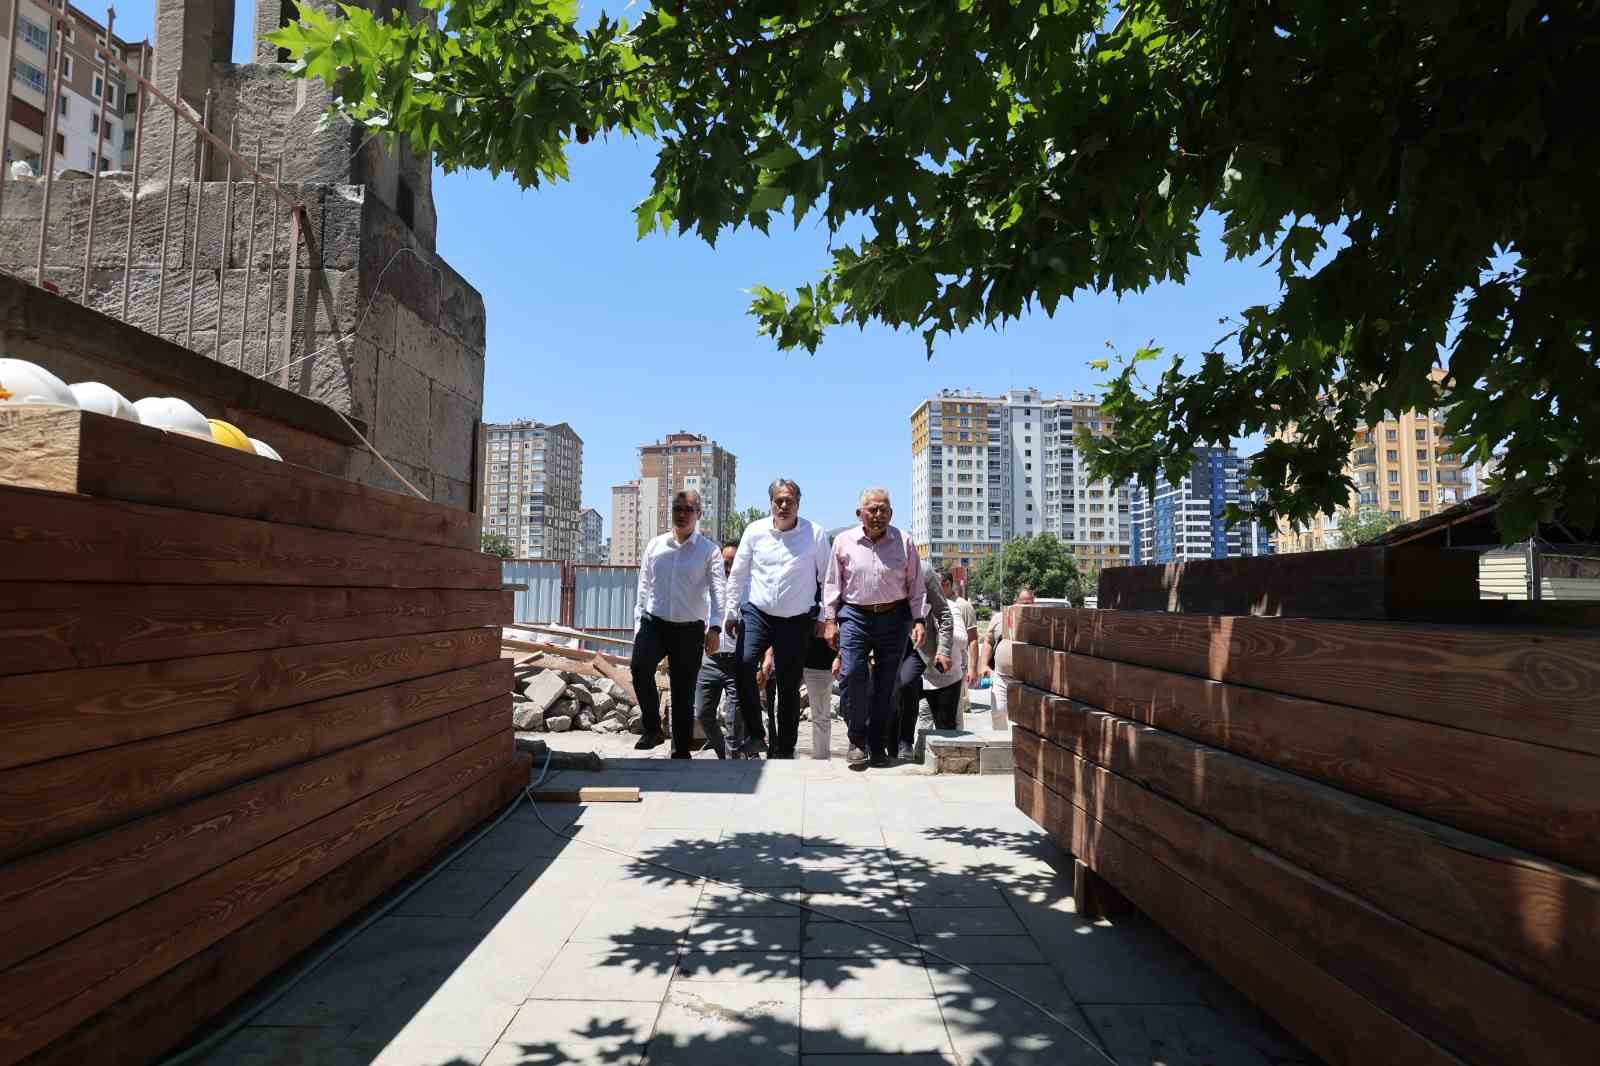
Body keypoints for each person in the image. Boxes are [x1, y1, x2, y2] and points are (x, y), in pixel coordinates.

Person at [725, 478, 831, 758]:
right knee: (744, 663)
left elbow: (828, 578)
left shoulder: (815, 534)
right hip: (758, 612)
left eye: (790, 501)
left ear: (798, 503)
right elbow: (737, 574)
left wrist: (825, 615)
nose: (784, 506)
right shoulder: (755, 531)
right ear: (770, 503)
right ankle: (756, 735)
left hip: (796, 619)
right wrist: (730, 612)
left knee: (788, 685)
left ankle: (785, 747)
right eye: (778, 500)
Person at [823, 487, 926, 768]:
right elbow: (832, 584)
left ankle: (877, 744)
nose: (878, 514)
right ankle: (857, 739)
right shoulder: (843, 541)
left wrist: (919, 620)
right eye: (872, 509)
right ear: (860, 514)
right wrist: (830, 620)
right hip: (855, 616)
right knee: (853, 674)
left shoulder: (904, 541)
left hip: (895, 617)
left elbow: (916, 586)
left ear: (891, 513)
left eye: (884, 509)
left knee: (887, 684)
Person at [632, 490, 726, 757]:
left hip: (689, 629)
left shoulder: (708, 551)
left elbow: (719, 591)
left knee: (683, 693)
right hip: (654, 623)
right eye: (677, 509)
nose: (682, 514)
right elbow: (643, 586)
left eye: (689, 509)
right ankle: (652, 728)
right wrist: (639, 623)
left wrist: (715, 627)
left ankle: (681, 752)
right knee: (639, 669)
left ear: (699, 514)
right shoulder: (656, 545)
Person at [892, 562, 954, 761]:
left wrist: (943, 650)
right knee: (887, 689)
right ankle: (886, 741)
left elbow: (944, 614)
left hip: (917, 647)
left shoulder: (925, 571)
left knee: (905, 683)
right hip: (887, 642)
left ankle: (904, 741)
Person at [695, 542, 743, 759]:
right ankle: (724, 755)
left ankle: (733, 762)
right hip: (710, 660)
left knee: (735, 718)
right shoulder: (708, 587)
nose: (728, 566)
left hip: (736, 661)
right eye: (725, 561)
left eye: (733, 562)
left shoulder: (747, 586)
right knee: (703, 713)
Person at [979, 585, 1035, 729]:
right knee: (998, 712)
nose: (1026, 606)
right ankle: (1000, 747)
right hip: (1001, 676)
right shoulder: (1000, 617)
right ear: (1015, 601)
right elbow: (988, 641)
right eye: (1023, 603)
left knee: (1023, 719)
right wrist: (983, 665)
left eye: (1030, 603)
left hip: (1027, 680)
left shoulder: (1038, 621)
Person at [920, 596, 968, 731]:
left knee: (946, 726)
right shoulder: (917, 604)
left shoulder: (951, 607)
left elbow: (963, 641)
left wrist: (941, 626)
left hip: (948, 678)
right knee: (924, 720)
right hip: (925, 676)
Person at [942, 570, 980, 721]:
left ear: (947, 585)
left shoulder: (963, 606)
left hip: (958, 668)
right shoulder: (932, 603)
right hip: (935, 668)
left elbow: (973, 639)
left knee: (955, 712)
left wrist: (973, 668)